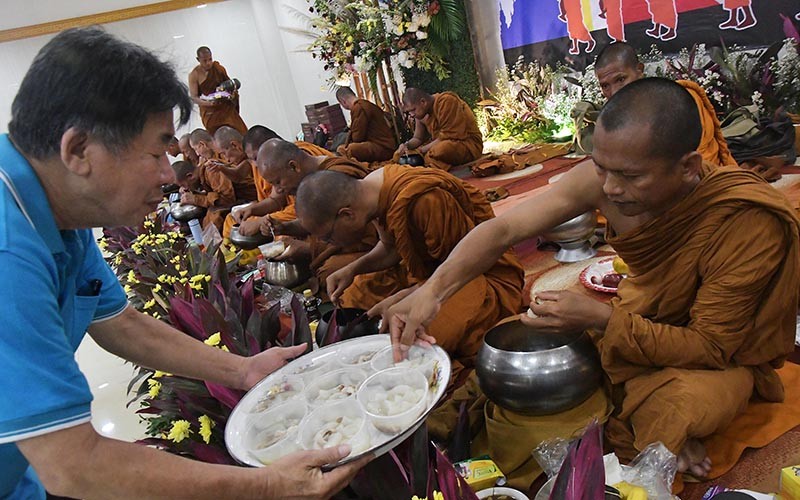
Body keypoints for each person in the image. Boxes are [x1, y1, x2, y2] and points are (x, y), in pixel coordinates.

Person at [0, 27, 369, 499]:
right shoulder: (9, 246)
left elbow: (120, 323)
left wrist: (243, 371)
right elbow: (74, 466)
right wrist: (268, 485)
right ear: (78, 151)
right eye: (156, 152)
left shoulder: (55, 211)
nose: (166, 174)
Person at [384, 78, 800, 477]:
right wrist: (433, 291)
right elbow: (504, 230)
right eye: (602, 168)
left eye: (630, 176)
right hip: (638, 320)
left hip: (715, 356)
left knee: (676, 405)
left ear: (689, 167)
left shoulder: (745, 221)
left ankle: (665, 434)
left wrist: (601, 320)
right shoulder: (606, 178)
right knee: (513, 348)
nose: (611, 189)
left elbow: (710, 347)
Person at [294, 165, 525, 380]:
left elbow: (463, 267)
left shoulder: (426, 199)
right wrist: (353, 269)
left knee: (416, 338)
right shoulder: (371, 195)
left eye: (327, 237)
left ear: (346, 215)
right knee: (356, 293)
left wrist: (405, 296)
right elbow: (390, 247)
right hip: (430, 274)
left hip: (477, 277)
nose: (329, 243)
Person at [256, 140, 408, 307]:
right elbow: (322, 223)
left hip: (388, 250)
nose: (278, 190)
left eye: (278, 182)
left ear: (294, 166)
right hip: (383, 245)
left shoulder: (339, 175)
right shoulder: (314, 180)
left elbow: (368, 235)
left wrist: (309, 249)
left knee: (337, 277)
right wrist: (284, 227)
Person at [594, 42, 737, 168]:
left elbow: (701, 158)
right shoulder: (616, 115)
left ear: (639, 70)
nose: (614, 92)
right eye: (605, 86)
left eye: (620, 79)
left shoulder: (678, 99)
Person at [395, 88, 483, 171]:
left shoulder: (446, 101)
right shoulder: (421, 114)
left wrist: (421, 150)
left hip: (468, 145)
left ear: (423, 102)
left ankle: (432, 169)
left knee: (439, 150)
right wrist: (406, 146)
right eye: (409, 112)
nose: (412, 115)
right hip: (440, 144)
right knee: (406, 157)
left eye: (413, 110)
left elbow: (450, 136)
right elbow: (418, 138)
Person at [188, 46, 247, 135]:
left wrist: (231, 94)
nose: (208, 63)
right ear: (198, 59)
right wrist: (209, 103)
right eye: (204, 61)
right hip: (210, 113)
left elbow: (230, 86)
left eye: (210, 59)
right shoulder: (194, 75)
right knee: (219, 138)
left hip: (226, 108)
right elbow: (194, 98)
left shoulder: (218, 68)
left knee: (241, 133)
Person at [335, 87, 396, 163]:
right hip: (386, 145)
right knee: (342, 149)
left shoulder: (359, 107)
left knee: (348, 149)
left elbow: (357, 137)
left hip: (383, 147)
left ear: (343, 101)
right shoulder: (367, 104)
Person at [213, 125, 259, 203]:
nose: (227, 159)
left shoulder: (255, 154)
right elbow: (238, 175)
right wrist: (221, 168)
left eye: (224, 153)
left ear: (235, 145)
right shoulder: (247, 159)